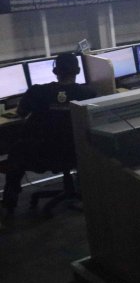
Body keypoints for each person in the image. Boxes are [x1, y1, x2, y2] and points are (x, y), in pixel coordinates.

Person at [1, 53, 96, 220]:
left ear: (55, 71)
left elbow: (21, 113)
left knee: (17, 149)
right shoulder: (89, 94)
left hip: (42, 155)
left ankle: (10, 203)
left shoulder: (37, 91)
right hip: (76, 153)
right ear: (78, 71)